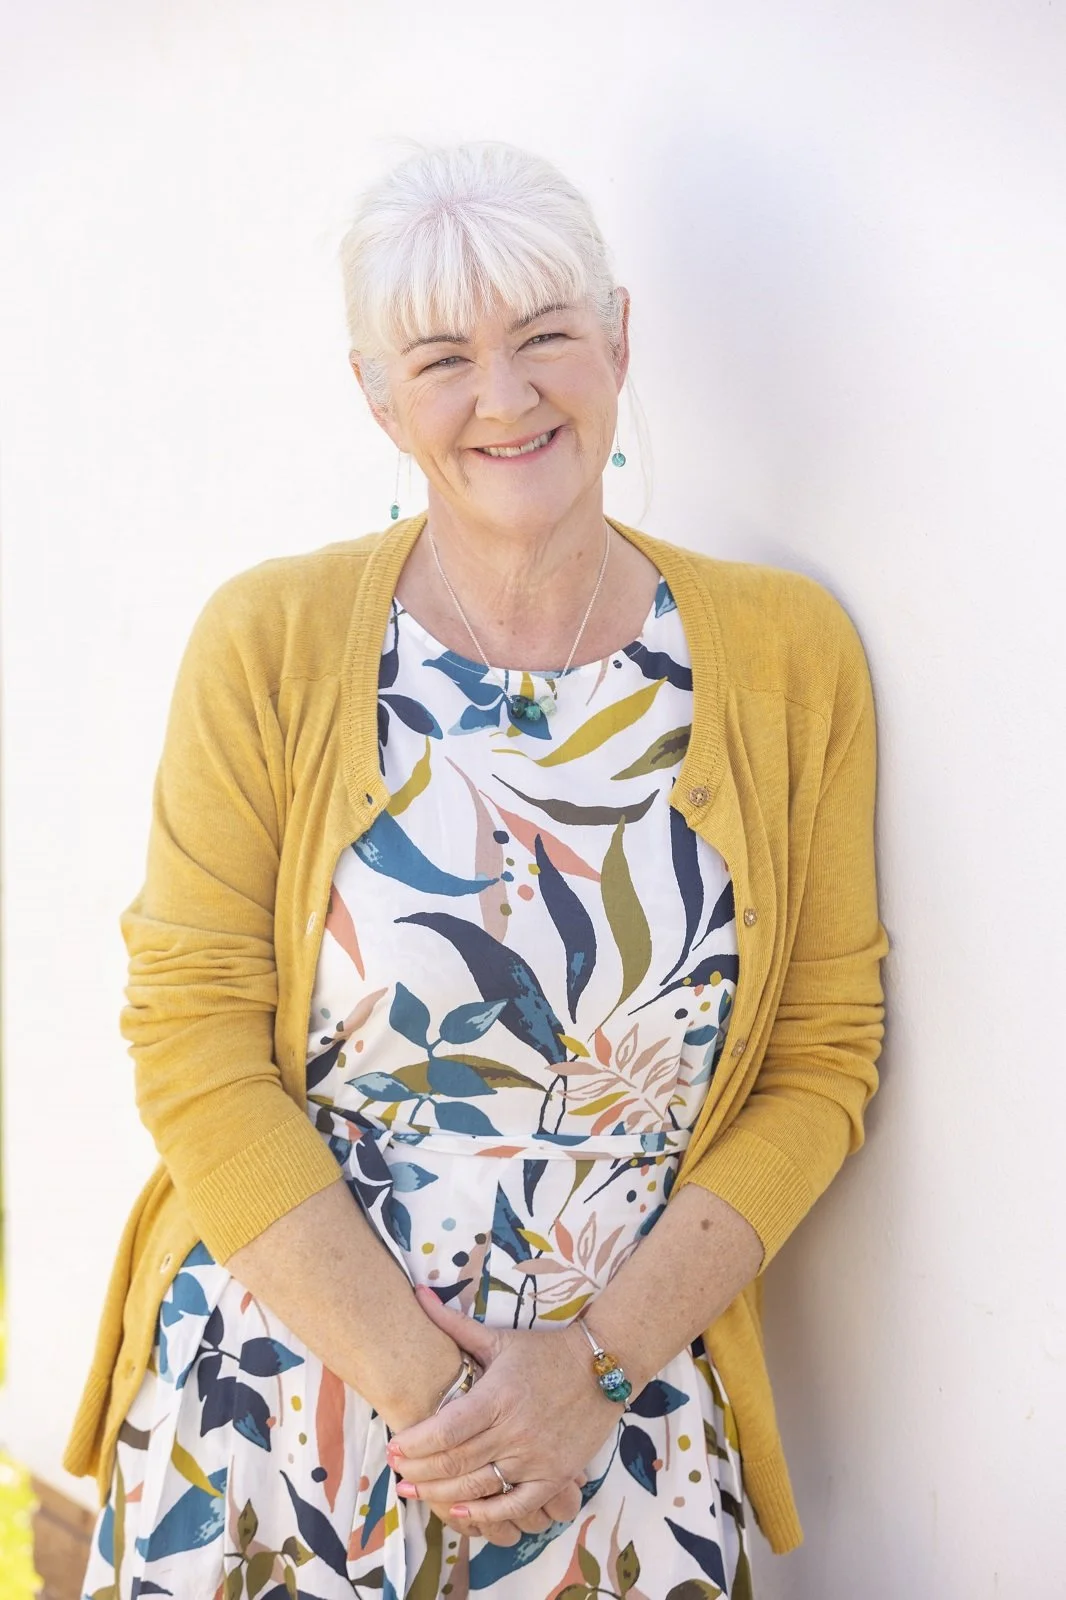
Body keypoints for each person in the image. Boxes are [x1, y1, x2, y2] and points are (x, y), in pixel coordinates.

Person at [70, 141, 888, 1599]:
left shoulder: (787, 656)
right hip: (279, 1409)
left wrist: (591, 1372)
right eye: (442, 359)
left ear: (619, 339)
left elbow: (823, 1059)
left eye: (545, 336)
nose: (504, 399)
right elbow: (191, 1039)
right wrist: (436, 1397)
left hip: (617, 1425)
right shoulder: (267, 640)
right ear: (376, 397)